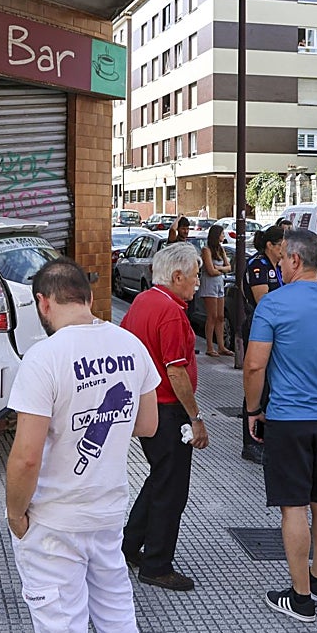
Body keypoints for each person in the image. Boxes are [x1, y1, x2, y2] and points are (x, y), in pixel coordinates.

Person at [5, 258, 161, 633]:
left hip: (54, 519)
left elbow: (27, 456)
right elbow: (148, 425)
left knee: (61, 626)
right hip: (107, 512)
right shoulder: (130, 344)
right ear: (89, 298)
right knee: (117, 617)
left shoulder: (44, 358)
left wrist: (15, 514)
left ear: (43, 303)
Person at [244, 228, 317, 623]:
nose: (278, 266)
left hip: (288, 419)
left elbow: (255, 365)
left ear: (295, 259)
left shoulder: (274, 305)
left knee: (292, 506)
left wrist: (252, 410)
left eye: (281, 260)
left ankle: (300, 597)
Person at [120, 243, 208, 592]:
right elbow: (177, 373)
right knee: (172, 489)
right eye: (195, 276)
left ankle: (129, 545)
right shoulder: (171, 312)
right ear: (177, 276)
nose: (198, 283)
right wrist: (196, 417)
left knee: (160, 479)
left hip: (147, 406)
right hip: (168, 409)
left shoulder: (142, 301)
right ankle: (157, 564)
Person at [240, 224, 286, 464]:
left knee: (271, 384)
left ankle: (266, 439)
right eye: (281, 246)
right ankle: (251, 443)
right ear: (270, 245)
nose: (284, 251)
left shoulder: (277, 266)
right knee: (257, 383)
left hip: (275, 329)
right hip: (259, 326)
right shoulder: (259, 265)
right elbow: (263, 300)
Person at [197, 224, 233, 358]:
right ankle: (210, 347)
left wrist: (220, 268)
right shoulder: (206, 250)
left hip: (219, 284)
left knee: (220, 316)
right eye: (222, 234)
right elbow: (210, 271)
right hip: (209, 284)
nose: (224, 236)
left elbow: (228, 267)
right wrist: (220, 268)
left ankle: (221, 346)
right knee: (211, 316)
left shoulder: (221, 249)